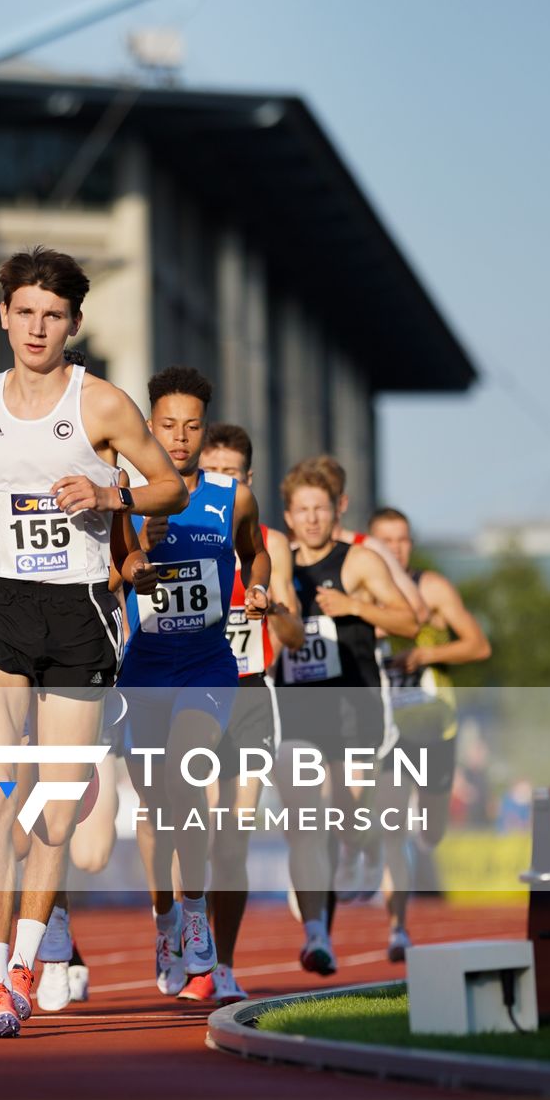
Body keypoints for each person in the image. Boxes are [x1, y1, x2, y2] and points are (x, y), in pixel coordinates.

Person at [0, 245, 188, 1038]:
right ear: (3, 316)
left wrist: (106, 489)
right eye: (24, 312)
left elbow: (171, 485)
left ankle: (27, 964)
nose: (36, 326)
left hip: (83, 606)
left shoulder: (104, 407)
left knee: (54, 811)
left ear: (73, 324)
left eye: (52, 315)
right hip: (0, 601)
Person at [0, 470, 145, 1013]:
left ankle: (44, 939)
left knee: (67, 832)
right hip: (4, 628)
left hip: (76, 636)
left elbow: (124, 563)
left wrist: (131, 568)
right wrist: (0, 580)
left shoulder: (105, 470)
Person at [114, 369, 270, 1003]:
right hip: (145, 670)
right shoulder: (123, 496)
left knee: (188, 774)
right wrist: (134, 562)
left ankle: (196, 908)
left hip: (208, 666)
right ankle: (164, 922)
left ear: (204, 433)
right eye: (167, 426)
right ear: (150, 427)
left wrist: (257, 586)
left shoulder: (232, 498)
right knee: (155, 809)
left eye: (191, 427)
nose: (178, 438)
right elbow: (111, 573)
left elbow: (254, 551)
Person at [175, 423, 303, 1004]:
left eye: (233, 475)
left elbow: (296, 636)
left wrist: (270, 604)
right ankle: (187, 937)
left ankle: (223, 964)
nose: (222, 483)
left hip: (250, 694)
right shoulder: (179, 524)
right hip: (198, 690)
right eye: (214, 471)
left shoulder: (268, 543)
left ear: (247, 483)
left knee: (233, 838)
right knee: (195, 833)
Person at [273, 462, 418, 974]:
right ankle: (317, 933)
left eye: (320, 509)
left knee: (349, 819)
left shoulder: (356, 561)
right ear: (288, 516)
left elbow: (409, 620)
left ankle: (362, 841)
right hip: (296, 709)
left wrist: (354, 606)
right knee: (305, 820)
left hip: (356, 710)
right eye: (302, 510)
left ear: (336, 510)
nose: (312, 519)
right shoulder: (277, 563)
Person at [365, 506, 492, 961]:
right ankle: (398, 928)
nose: (396, 549)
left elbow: (478, 644)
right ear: (370, 545)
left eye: (403, 540)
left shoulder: (431, 587)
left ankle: (426, 837)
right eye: (386, 540)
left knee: (432, 831)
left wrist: (424, 657)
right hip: (387, 729)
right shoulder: (360, 591)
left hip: (435, 724)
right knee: (391, 827)